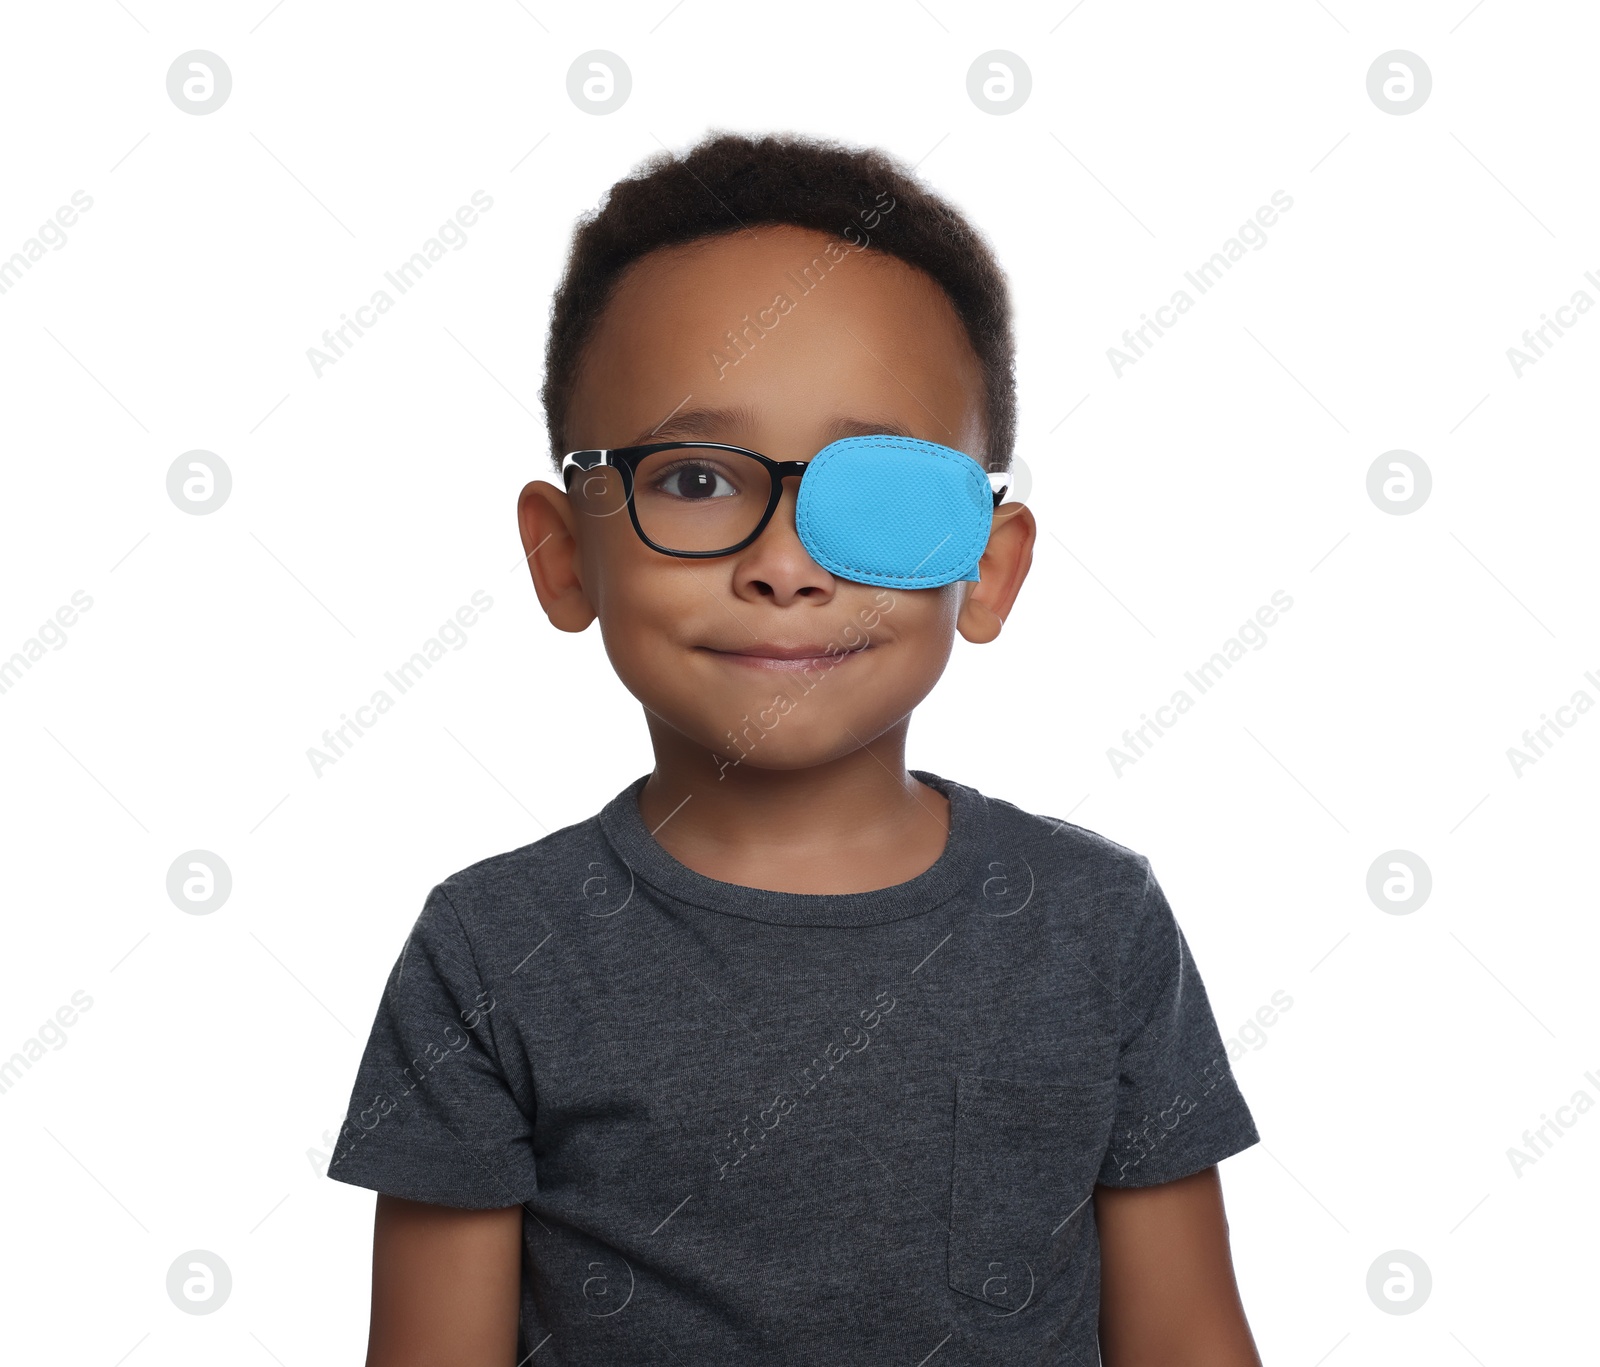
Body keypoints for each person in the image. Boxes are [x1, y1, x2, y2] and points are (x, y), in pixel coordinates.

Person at [328, 130, 1265, 1366]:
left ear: (987, 567)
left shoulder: (1096, 921)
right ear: (563, 555)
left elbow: (1189, 1335)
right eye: (698, 480)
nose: (782, 567)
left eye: (875, 495)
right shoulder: (493, 947)